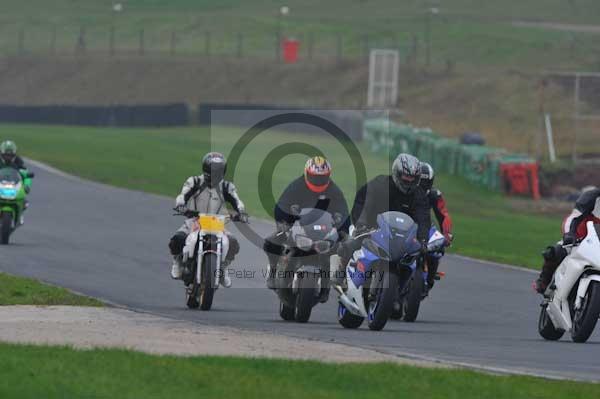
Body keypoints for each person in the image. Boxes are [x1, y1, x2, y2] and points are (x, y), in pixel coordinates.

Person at [264, 156, 350, 292]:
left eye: (322, 177)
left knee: (346, 245)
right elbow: (281, 205)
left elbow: (343, 210)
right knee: (271, 242)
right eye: (314, 176)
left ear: (328, 176)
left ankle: (338, 278)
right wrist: (284, 220)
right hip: (297, 226)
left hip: (323, 229)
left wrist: (342, 226)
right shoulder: (297, 185)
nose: (318, 180)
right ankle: (273, 271)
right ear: (306, 173)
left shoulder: (333, 190)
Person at [168, 152, 248, 287]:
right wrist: (180, 205)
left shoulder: (227, 187)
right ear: (206, 169)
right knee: (177, 239)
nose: (215, 173)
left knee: (233, 243)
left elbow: (237, 201)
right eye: (213, 170)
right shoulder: (194, 181)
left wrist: (241, 212)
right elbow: (182, 195)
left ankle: (222, 267)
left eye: (219, 170)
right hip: (194, 220)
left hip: (217, 223)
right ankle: (178, 262)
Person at [339, 153, 431, 269]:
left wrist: (423, 239)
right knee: (352, 243)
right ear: (397, 173)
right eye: (405, 177)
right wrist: (361, 224)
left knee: (423, 256)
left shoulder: (419, 196)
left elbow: (423, 218)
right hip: (373, 228)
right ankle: (340, 271)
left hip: (403, 236)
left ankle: (418, 283)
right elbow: (364, 201)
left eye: (412, 178)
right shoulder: (379, 184)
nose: (408, 181)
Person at [534, 186, 600, 294]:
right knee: (556, 252)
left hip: (598, 246)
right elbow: (572, 218)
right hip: (581, 238)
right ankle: (543, 281)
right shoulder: (591, 197)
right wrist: (569, 235)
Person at [419, 162, 453, 288]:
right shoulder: (404, 191)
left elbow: (444, 215)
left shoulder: (434, 195)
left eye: (425, 182)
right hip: (405, 226)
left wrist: (447, 234)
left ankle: (430, 279)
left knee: (438, 248)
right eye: (419, 182)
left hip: (425, 226)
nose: (421, 186)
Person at [0, 140, 33, 225]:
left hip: (13, 183)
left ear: (14, 155)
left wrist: (27, 185)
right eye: (6, 155)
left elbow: (26, 173)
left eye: (10, 155)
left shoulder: (18, 161)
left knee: (24, 201)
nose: (8, 157)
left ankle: (19, 213)